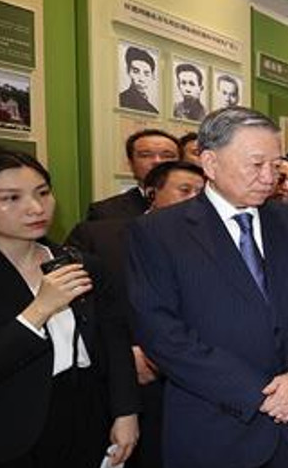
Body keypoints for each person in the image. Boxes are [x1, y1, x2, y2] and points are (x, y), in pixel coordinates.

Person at [127, 107, 288, 468]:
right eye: (256, 165)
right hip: (213, 429)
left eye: (276, 165)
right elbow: (163, 334)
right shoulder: (160, 233)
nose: (269, 177)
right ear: (210, 162)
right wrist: (258, 394)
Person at [0, 146, 140, 467]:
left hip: (87, 415)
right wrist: (38, 311)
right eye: (10, 198)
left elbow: (115, 343)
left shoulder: (82, 263)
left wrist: (126, 412)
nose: (35, 207)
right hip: (3, 429)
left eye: (42, 192)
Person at [66, 160, 205, 468]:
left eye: (202, 192)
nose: (196, 198)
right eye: (185, 190)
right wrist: (124, 353)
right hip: (117, 381)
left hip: (185, 382)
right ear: (151, 193)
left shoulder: (213, 246)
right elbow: (75, 307)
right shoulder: (98, 236)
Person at [86, 129, 180, 221]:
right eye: (146, 155)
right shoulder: (105, 212)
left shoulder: (193, 205)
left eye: (168, 156)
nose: (157, 161)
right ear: (131, 164)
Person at [119, 46, 158, 114]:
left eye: (146, 73)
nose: (141, 79)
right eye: (136, 71)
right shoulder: (120, 101)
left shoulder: (153, 111)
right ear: (128, 71)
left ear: (152, 76)